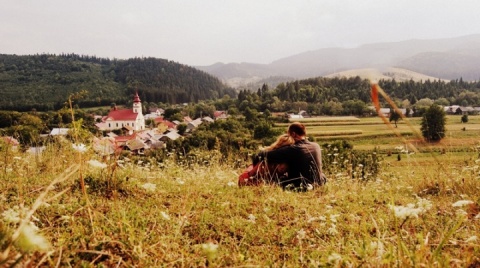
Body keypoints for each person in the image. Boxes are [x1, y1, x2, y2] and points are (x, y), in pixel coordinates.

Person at [256, 122, 326, 190]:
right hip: (319, 183)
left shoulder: (294, 149)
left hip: (300, 185)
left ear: (293, 134)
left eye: (288, 134)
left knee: (275, 180)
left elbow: (264, 155)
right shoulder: (316, 145)